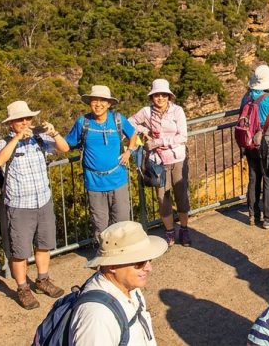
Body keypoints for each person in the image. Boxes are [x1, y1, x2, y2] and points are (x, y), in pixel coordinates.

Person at [0, 100, 70, 310]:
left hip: (42, 199)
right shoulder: (4, 141)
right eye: (20, 120)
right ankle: (22, 288)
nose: (25, 122)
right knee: (19, 250)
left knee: (44, 244)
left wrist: (53, 133)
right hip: (19, 204)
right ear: (11, 123)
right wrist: (17, 138)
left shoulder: (39, 139)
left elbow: (64, 148)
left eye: (28, 118)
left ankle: (43, 279)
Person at [68, 221, 167, 345]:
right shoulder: (97, 317)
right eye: (139, 262)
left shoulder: (129, 287)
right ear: (113, 265)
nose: (149, 268)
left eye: (149, 259)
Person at [65, 85, 139, 239]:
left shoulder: (118, 119)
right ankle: (106, 260)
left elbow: (133, 134)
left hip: (118, 179)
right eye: (94, 100)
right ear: (89, 103)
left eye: (102, 101)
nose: (98, 104)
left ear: (109, 104)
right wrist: (51, 136)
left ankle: (122, 260)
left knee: (122, 223)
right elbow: (67, 144)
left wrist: (129, 151)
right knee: (100, 226)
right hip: (94, 182)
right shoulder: (83, 122)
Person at [129, 79, 191, 246]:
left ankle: (184, 229)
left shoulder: (177, 111)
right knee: (162, 197)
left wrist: (158, 142)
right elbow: (129, 123)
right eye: (157, 95)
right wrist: (144, 130)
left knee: (181, 195)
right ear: (152, 97)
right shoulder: (146, 112)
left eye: (163, 95)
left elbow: (183, 137)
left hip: (177, 158)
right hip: (158, 162)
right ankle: (170, 231)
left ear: (169, 96)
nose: (160, 98)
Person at [240, 64, 269, 229]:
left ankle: (252, 215)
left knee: (253, 178)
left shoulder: (246, 97)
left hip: (249, 143)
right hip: (265, 143)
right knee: (268, 180)